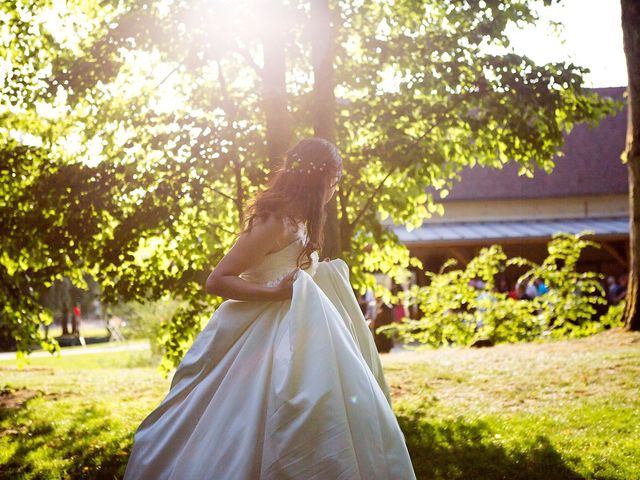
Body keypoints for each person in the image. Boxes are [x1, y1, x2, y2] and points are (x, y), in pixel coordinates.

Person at [123, 138, 416, 479]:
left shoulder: (301, 220)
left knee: (319, 404)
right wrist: (275, 292)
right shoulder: (274, 222)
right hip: (258, 333)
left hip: (302, 327)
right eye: (333, 182)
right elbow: (218, 280)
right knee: (249, 414)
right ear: (318, 180)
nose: (333, 191)